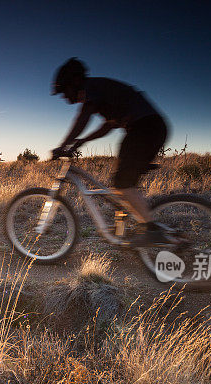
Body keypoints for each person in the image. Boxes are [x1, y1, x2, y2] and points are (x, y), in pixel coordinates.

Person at [51, 57, 170, 246]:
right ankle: (133, 228)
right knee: (121, 184)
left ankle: (151, 230)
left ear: (74, 82)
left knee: (122, 183)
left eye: (64, 91)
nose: (65, 97)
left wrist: (63, 145)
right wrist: (81, 141)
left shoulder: (92, 88)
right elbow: (108, 126)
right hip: (150, 128)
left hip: (145, 128)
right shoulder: (102, 92)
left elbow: (82, 119)